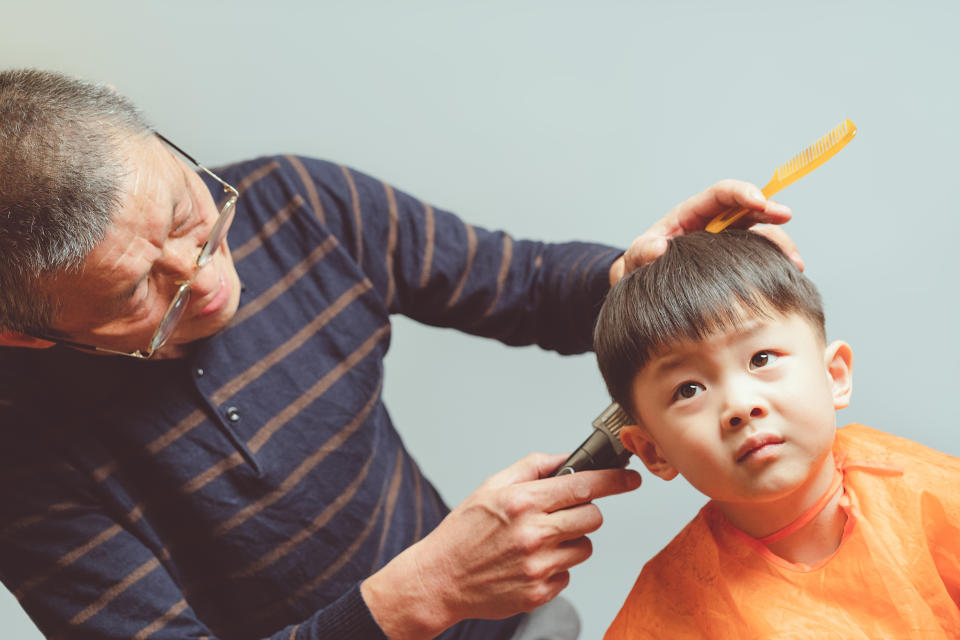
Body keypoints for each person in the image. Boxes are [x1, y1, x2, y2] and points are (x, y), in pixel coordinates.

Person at [0, 69, 795, 640]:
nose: (207, 278)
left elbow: (519, 285)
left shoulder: (300, 203)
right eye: (137, 293)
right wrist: (416, 600)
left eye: (188, 216)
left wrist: (634, 275)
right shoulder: (18, 460)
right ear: (24, 334)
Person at [593, 229, 960, 638]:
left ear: (834, 376)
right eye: (688, 389)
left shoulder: (936, 499)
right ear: (652, 451)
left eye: (761, 358)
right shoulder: (665, 615)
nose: (739, 406)